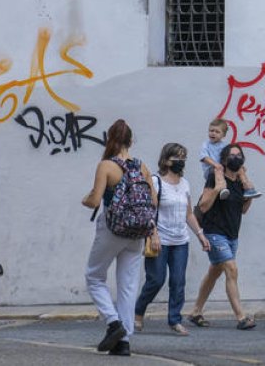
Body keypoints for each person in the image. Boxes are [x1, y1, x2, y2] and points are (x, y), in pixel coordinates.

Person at [82, 119, 157, 357]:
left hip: (112, 229)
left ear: (110, 139)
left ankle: (113, 323)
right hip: (137, 233)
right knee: (128, 285)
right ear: (131, 141)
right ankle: (123, 342)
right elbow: (154, 201)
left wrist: (86, 199)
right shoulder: (142, 167)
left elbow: (94, 201)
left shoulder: (106, 165)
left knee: (94, 276)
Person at [133, 143, 210, 336]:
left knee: (178, 281)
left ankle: (174, 320)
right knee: (156, 280)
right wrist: (154, 234)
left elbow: (189, 213)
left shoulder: (185, 184)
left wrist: (200, 235)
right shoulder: (156, 181)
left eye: (183, 157)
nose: (181, 161)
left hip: (180, 241)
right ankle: (138, 312)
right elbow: (148, 211)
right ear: (166, 160)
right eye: (177, 157)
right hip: (160, 240)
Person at [187, 143, 257, 330]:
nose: (236, 158)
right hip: (214, 231)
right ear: (224, 160)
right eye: (232, 155)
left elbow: (242, 210)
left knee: (214, 272)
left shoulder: (240, 182)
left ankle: (195, 311)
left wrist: (249, 193)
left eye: (239, 155)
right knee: (231, 269)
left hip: (232, 234)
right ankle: (241, 317)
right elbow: (203, 206)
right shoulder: (214, 177)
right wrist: (218, 188)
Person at [200, 118, 261, 199]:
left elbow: (230, 158)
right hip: (211, 170)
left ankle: (247, 187)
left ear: (223, 135)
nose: (213, 133)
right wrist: (215, 164)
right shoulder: (206, 145)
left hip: (223, 167)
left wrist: (240, 166)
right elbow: (204, 158)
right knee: (217, 170)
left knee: (240, 169)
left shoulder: (225, 145)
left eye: (217, 132)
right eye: (211, 130)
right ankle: (222, 189)